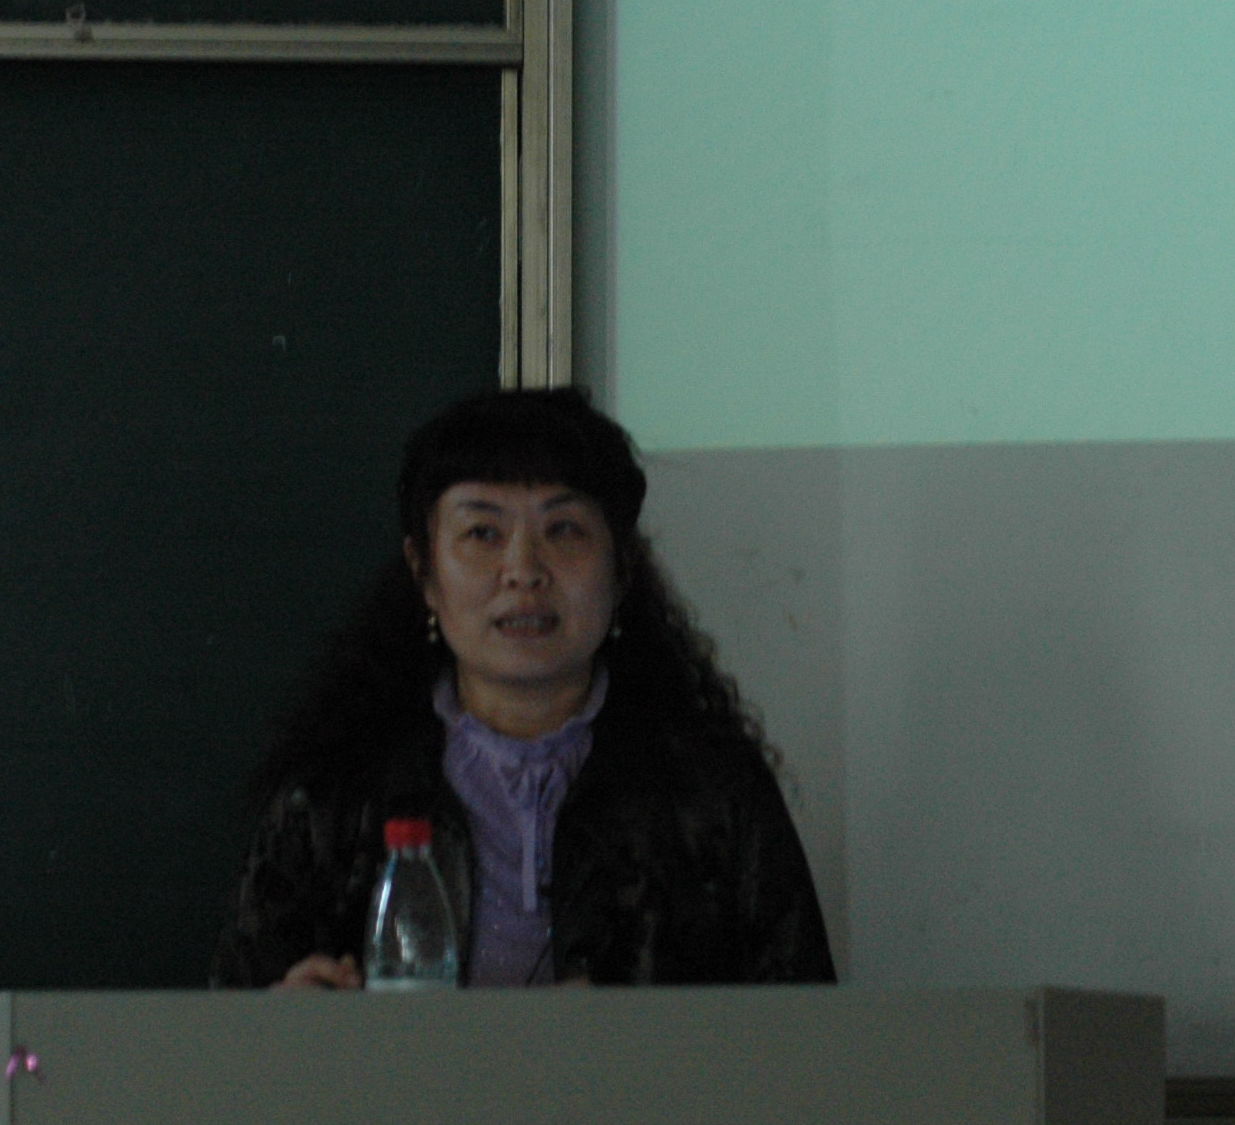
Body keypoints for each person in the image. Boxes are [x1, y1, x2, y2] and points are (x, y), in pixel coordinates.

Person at [211, 386, 834, 989]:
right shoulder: (337, 789)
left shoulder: (708, 790)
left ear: (622, 570)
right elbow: (231, 1027)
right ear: (424, 573)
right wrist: (285, 1020)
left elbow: (806, 1032)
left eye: (564, 530)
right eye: (483, 533)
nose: (524, 570)